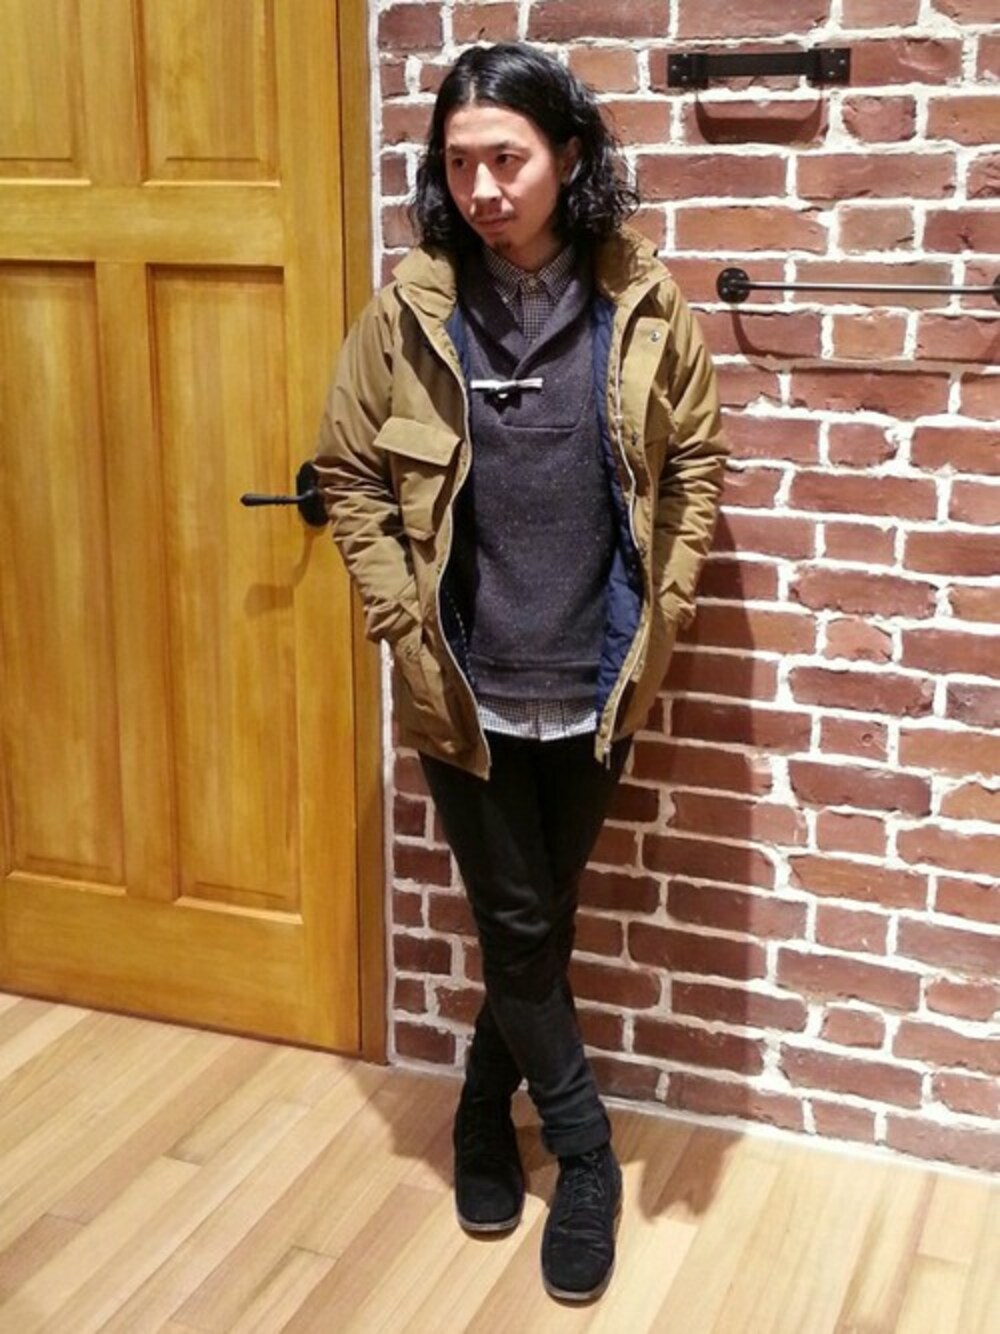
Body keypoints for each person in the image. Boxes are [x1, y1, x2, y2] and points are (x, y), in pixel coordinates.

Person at [313, 41, 726, 1303]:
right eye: (459, 164)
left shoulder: (640, 303)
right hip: (465, 687)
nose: (484, 187)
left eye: (508, 157)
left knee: (535, 920)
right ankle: (586, 1153)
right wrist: (398, 617)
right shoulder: (409, 314)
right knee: (524, 923)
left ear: (569, 157)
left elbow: (693, 464)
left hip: (598, 678)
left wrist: (671, 598)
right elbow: (349, 473)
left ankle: (483, 1108)